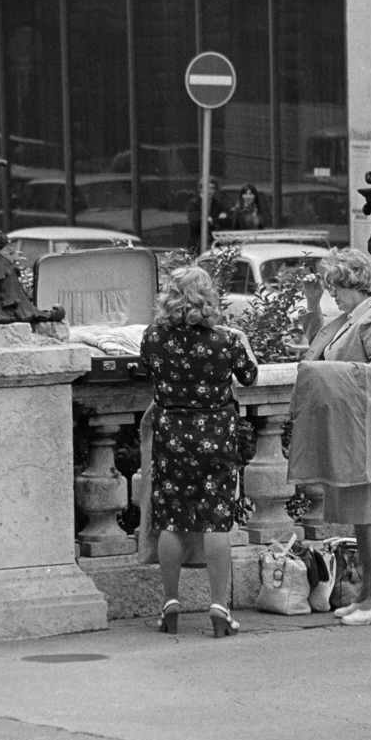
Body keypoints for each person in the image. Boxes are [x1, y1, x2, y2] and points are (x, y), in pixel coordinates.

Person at [139, 265, 259, 638]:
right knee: (216, 519)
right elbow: (250, 376)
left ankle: (171, 603)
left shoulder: (154, 337)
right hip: (216, 437)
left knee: (172, 518)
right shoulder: (225, 341)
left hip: (171, 436)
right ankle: (219, 607)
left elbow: (148, 370)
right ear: (208, 299)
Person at [287, 249, 371, 628]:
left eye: (336, 286)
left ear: (356, 282)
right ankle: (370, 595)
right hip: (355, 427)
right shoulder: (353, 316)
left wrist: (335, 374)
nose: (332, 293)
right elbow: (321, 343)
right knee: (360, 513)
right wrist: (310, 302)